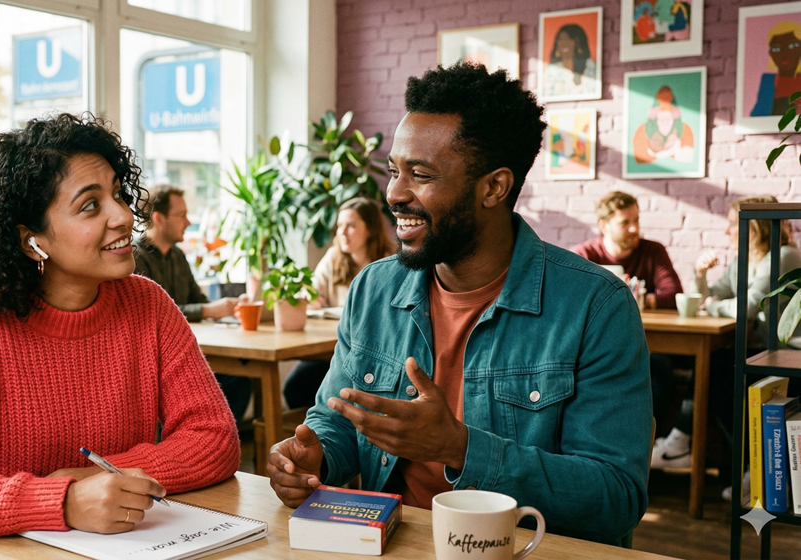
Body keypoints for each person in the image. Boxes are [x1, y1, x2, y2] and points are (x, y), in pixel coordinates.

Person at [266, 62, 652, 545]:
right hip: (397, 542)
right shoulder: (373, 290)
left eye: (421, 175)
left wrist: (461, 449)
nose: (394, 194)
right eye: (394, 171)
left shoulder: (597, 306)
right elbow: (337, 417)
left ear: (494, 187)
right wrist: (314, 454)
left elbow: (615, 496)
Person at [0, 114, 240, 537]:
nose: (123, 216)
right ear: (30, 240)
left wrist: (109, 479)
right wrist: (63, 501)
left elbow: (215, 437)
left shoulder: (149, 305)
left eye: (118, 194)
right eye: (90, 205)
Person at [651, 196, 801, 485]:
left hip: (788, 354)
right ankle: (747, 469)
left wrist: (714, 304)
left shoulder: (782, 256)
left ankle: (747, 469)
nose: (728, 231)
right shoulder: (744, 260)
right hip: (763, 351)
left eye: (732, 224)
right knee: (717, 366)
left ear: (753, 229)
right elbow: (716, 294)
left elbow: (750, 305)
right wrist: (701, 274)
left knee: (719, 369)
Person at [133, 184, 253, 423]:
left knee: (241, 377)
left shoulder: (177, 256)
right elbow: (154, 316)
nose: (188, 222)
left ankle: (217, 440)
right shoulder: (135, 258)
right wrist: (209, 310)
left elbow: (196, 299)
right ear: (158, 218)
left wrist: (223, 306)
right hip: (157, 361)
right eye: (181, 215)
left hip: (190, 348)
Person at [283, 197, 395, 410]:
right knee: (295, 388)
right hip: (332, 347)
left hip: (371, 352)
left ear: (370, 230)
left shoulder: (388, 264)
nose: (342, 232)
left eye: (351, 226)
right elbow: (310, 291)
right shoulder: (334, 257)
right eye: (340, 226)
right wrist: (309, 297)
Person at [572, 191, 683, 310]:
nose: (634, 228)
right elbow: (570, 298)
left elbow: (674, 295)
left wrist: (641, 300)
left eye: (636, 220)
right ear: (604, 226)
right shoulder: (583, 255)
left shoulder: (653, 251)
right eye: (624, 223)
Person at [632, 86, 695, 164]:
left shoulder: (685, 129)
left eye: (668, 119)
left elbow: (689, 157)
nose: (665, 123)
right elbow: (639, 159)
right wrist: (657, 149)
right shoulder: (642, 130)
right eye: (661, 119)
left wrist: (675, 145)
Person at [751, 21, 801, 117]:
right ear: (770, 54)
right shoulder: (768, 81)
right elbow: (757, 117)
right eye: (776, 49)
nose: (784, 53)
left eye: (793, 46)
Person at [541, 24, 597, 98]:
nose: (564, 43)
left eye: (569, 39)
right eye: (561, 39)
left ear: (578, 42)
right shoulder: (551, 70)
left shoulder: (589, 64)